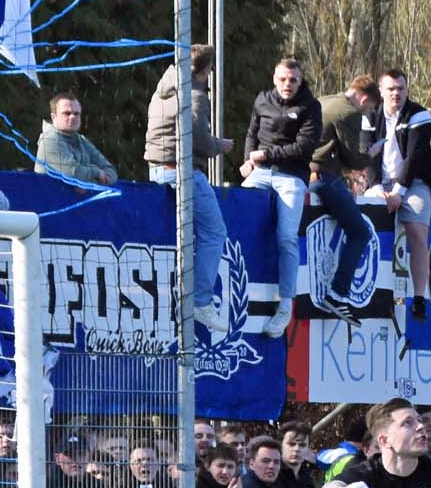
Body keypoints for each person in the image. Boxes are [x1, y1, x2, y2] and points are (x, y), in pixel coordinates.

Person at [143, 46, 235, 333]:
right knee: (215, 232)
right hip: (182, 171)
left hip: (158, 168)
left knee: (179, 237)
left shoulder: (163, 88)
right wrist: (219, 145)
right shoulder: (195, 94)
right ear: (207, 71)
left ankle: (181, 296)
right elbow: (197, 137)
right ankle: (201, 301)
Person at [242, 58, 324, 337]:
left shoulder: (310, 107)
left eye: (293, 80)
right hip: (260, 173)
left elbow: (304, 147)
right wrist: (248, 160)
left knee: (287, 237)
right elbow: (252, 133)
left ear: (300, 81)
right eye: (282, 79)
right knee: (237, 216)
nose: (287, 84)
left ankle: (286, 303)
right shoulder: (262, 100)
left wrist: (266, 155)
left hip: (291, 177)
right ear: (274, 79)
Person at [359, 68, 431, 320]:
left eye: (401, 88)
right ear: (381, 91)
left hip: (414, 181)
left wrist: (398, 193)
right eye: (391, 89)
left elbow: (414, 157)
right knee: (367, 224)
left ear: (407, 90)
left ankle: (419, 298)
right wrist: (374, 187)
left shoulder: (419, 114)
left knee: (417, 231)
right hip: (380, 183)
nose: (396, 93)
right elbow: (367, 154)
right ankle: (373, 294)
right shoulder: (369, 116)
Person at [306, 74, 378, 320]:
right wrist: (370, 154)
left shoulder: (324, 100)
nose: (367, 113)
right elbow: (352, 159)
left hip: (306, 175)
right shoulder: (349, 113)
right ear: (365, 99)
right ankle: (337, 294)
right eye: (370, 109)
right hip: (324, 178)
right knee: (361, 233)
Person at [36, 92, 117, 185]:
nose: (73, 117)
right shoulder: (49, 140)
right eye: (67, 113)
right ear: (53, 117)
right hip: (50, 194)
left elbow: (111, 172)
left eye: (76, 113)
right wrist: (96, 172)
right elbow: (74, 174)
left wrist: (85, 183)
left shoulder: (82, 141)